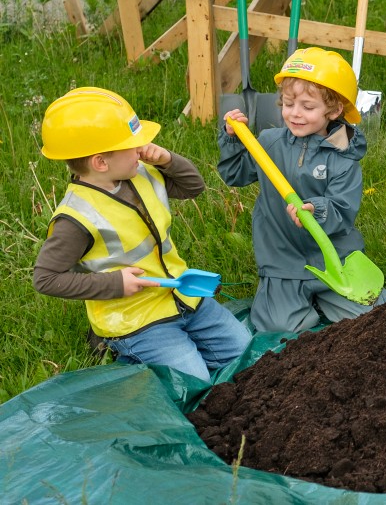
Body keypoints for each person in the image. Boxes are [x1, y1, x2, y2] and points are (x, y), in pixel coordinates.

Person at [33, 87, 251, 382]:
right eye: (133, 144)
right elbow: (45, 279)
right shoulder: (76, 218)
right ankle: (120, 349)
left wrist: (166, 160)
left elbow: (193, 187)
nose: (142, 147)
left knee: (245, 352)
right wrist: (114, 283)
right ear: (100, 162)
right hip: (135, 318)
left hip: (181, 294)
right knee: (192, 380)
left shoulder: (141, 172)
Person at [219, 47, 386, 334]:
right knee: (279, 328)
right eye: (288, 104)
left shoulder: (343, 158)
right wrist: (235, 141)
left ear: (334, 110)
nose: (295, 114)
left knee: (372, 319)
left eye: (307, 107)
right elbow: (235, 174)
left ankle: (326, 297)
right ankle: (301, 303)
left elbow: (343, 209)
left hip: (334, 258)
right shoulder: (268, 142)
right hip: (282, 258)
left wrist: (318, 209)